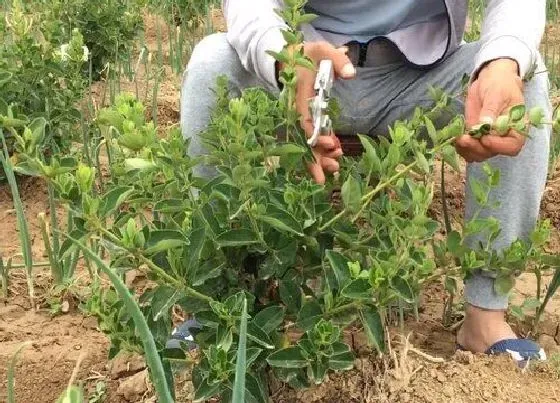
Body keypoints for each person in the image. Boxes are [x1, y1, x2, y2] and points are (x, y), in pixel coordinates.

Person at [177, 0, 550, 363]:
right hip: (308, 68)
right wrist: (285, 59)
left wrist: (503, 60)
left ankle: (485, 317)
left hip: (418, 77)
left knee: (520, 80)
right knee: (213, 65)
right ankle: (218, 305)